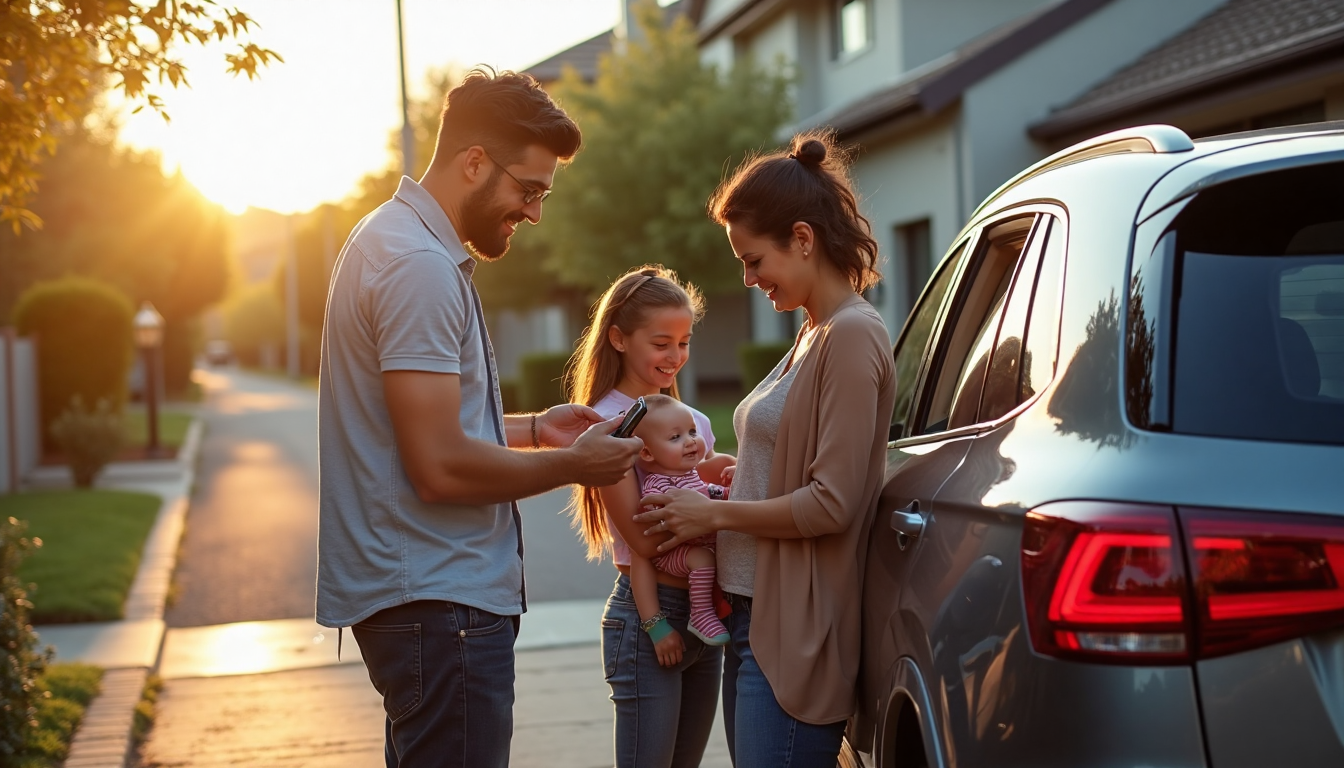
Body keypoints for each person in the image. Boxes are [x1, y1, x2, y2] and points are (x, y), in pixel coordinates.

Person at [315, 67, 642, 768]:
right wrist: (573, 465)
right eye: (529, 190)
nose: (533, 213)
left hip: (425, 607)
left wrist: (531, 429)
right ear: (473, 163)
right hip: (440, 606)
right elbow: (437, 468)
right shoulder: (418, 267)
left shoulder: (392, 240)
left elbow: (416, 425)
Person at [633, 132, 897, 768]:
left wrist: (715, 515)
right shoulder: (814, 331)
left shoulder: (853, 336)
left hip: (793, 630)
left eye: (754, 261)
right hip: (754, 616)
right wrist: (739, 472)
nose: (748, 279)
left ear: (802, 239)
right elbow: (795, 463)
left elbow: (833, 502)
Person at [566, 265, 734, 768]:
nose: (675, 357)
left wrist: (728, 478)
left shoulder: (691, 421)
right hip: (649, 617)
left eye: (683, 342)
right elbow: (645, 539)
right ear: (618, 338)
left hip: (707, 610)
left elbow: (704, 488)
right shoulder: (606, 424)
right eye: (662, 343)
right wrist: (723, 514)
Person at [631, 394, 731, 650]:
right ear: (647, 452)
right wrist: (711, 500)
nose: (690, 442)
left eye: (692, 432)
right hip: (673, 554)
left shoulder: (691, 474)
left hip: (695, 546)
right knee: (703, 558)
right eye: (675, 438)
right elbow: (666, 511)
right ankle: (700, 614)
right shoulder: (658, 483)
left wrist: (731, 487)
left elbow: (709, 494)